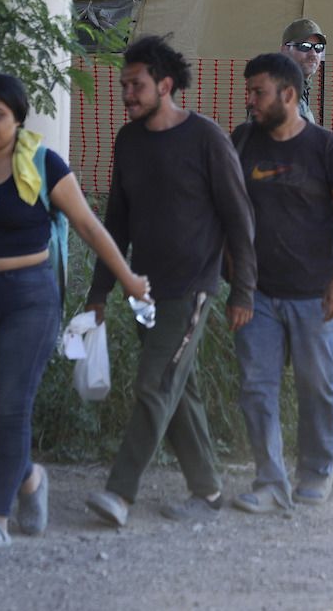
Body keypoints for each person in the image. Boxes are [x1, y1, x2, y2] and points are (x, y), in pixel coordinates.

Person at [0, 74, 149, 547]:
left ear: (18, 118)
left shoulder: (44, 163)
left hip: (30, 299)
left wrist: (129, 278)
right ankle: (30, 479)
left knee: (12, 408)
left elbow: (89, 226)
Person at [83, 38, 257, 527]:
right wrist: (100, 292)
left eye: (136, 85)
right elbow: (114, 224)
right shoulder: (127, 140)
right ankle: (208, 490)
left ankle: (119, 493)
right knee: (178, 389)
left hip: (192, 288)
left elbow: (239, 218)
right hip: (144, 289)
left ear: (165, 85)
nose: (127, 95)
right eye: (123, 86)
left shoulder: (206, 138)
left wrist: (243, 289)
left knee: (154, 382)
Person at [227, 53, 333, 511]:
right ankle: (269, 481)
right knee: (256, 388)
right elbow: (227, 212)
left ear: (288, 94)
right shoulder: (241, 141)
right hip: (257, 293)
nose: (250, 101)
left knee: (316, 386)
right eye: (248, 91)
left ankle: (318, 470)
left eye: (258, 92)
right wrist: (236, 285)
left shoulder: (326, 147)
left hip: (313, 293)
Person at [280, 19, 329, 124]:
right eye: (305, 47)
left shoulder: (300, 88)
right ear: (285, 50)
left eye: (318, 47)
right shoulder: (277, 94)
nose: (313, 54)